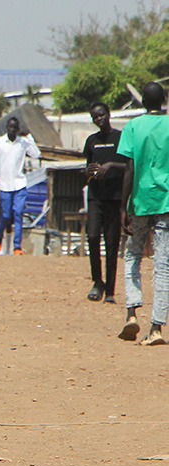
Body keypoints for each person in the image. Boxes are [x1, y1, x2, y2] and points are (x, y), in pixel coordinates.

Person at [118, 82, 169, 345]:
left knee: (133, 255)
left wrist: (123, 206)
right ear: (164, 100)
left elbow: (129, 168)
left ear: (143, 103)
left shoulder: (133, 126)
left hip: (139, 202)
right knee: (163, 265)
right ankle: (157, 328)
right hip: (166, 203)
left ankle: (132, 314)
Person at [83, 102, 125, 302]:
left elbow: (130, 166)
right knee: (92, 236)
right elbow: (86, 169)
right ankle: (97, 282)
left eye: (101, 115)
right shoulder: (92, 141)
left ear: (109, 114)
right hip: (96, 197)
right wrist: (89, 171)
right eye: (94, 117)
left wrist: (111, 165)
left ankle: (110, 291)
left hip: (115, 198)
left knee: (111, 243)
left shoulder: (121, 137)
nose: (98, 119)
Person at [0, 116, 40, 255]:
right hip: (5, 185)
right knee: (6, 215)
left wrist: (28, 136)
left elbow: (36, 154)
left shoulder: (23, 143)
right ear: (7, 128)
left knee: (18, 213)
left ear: (18, 130)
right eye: (10, 127)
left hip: (19, 184)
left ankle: (17, 246)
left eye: (15, 128)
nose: (12, 130)